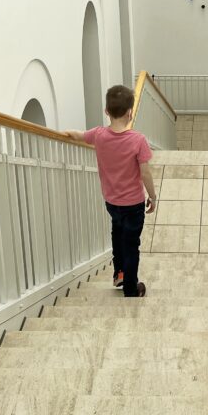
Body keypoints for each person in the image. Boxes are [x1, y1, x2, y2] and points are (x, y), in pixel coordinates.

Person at [65, 84, 157, 297]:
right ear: (130, 112)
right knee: (131, 244)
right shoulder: (138, 140)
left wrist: (67, 133)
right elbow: (145, 173)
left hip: (111, 202)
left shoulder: (98, 135)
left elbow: (79, 135)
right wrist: (152, 196)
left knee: (117, 234)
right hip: (133, 204)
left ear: (107, 111)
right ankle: (131, 289)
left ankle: (119, 274)